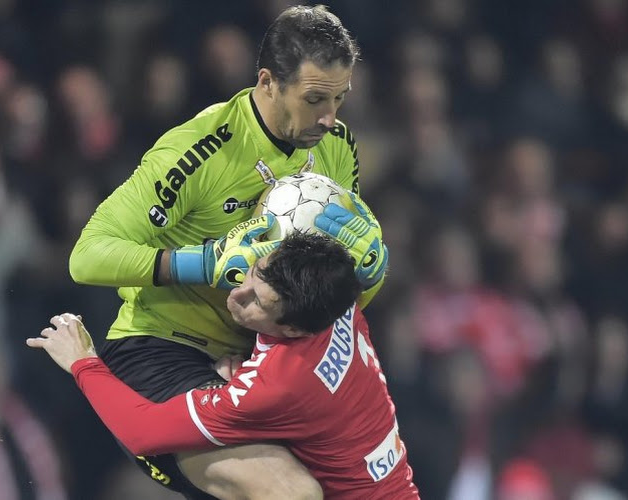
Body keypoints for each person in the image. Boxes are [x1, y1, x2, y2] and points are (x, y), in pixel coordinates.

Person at [67, 4, 388, 498]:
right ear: (267, 82)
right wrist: (203, 262)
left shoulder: (336, 147)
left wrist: (369, 274)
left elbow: (327, 297)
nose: (329, 117)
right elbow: (87, 256)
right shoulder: (198, 151)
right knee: (288, 494)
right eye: (315, 98)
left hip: (262, 359)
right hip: (163, 350)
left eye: (340, 99)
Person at [29, 233, 419, 499]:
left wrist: (83, 363)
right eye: (253, 275)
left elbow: (142, 432)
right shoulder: (336, 295)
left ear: (293, 328)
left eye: (257, 303)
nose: (237, 295)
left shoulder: (277, 385)